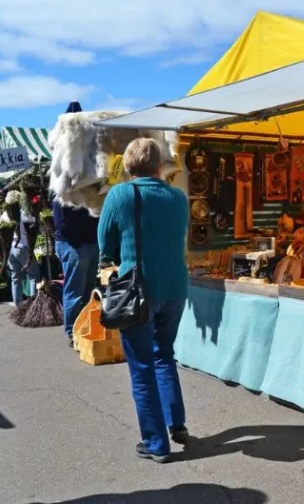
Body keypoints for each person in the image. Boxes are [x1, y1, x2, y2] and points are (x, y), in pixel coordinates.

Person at [98, 138, 189, 463]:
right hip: (176, 287)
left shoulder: (121, 194)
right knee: (164, 354)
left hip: (138, 291)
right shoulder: (178, 197)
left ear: (129, 164)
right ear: (159, 163)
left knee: (141, 367)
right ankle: (176, 424)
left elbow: (104, 243)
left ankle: (155, 443)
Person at [52, 194, 99, 348]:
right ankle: (73, 330)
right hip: (75, 245)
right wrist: (78, 241)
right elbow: (62, 221)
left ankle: (85, 327)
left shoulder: (85, 187)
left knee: (88, 289)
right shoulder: (63, 189)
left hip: (87, 242)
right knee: (76, 290)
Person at [2, 191, 41, 306]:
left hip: (10, 250)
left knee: (15, 278)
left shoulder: (4, 214)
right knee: (34, 275)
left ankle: (17, 305)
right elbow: (34, 222)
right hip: (22, 247)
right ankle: (34, 305)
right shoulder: (22, 213)